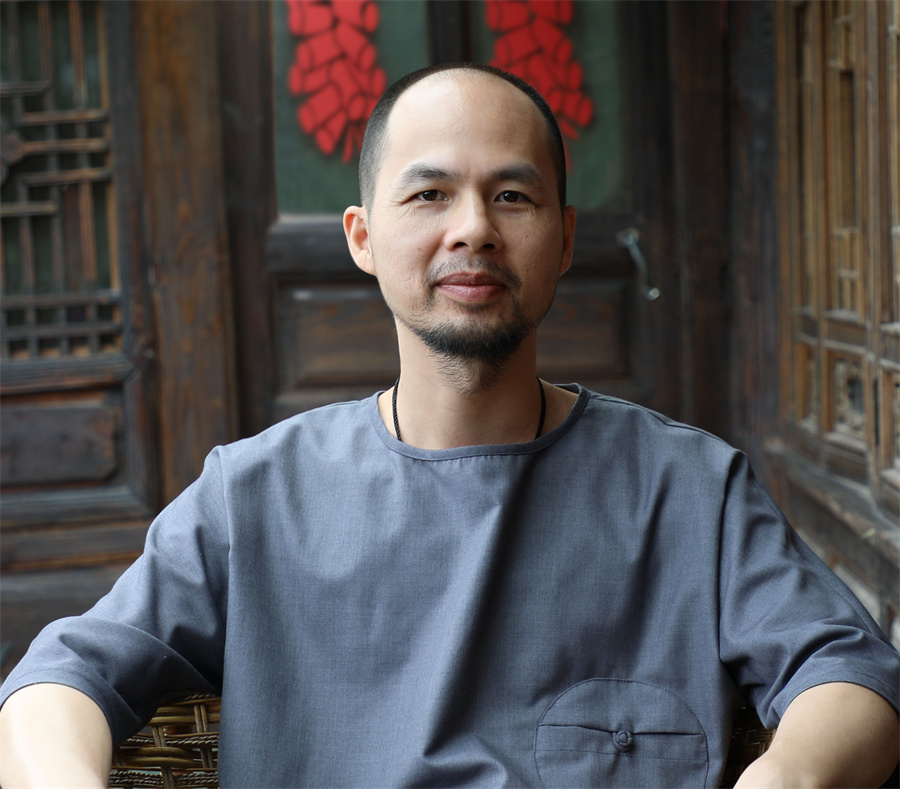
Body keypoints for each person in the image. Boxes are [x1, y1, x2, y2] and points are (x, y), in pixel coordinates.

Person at [1, 63, 898, 789]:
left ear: (564, 238)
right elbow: (58, 681)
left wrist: (785, 775)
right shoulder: (254, 497)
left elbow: (853, 676)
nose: (473, 229)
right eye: (429, 194)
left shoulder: (689, 490)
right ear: (362, 236)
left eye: (512, 196)